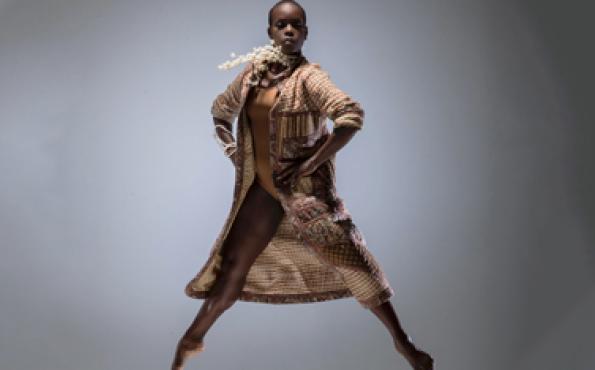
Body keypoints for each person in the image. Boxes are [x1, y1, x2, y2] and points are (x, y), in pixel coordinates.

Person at [171, 1, 434, 369]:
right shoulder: (250, 76)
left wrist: (309, 164)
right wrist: (234, 153)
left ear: (306, 32)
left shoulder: (310, 78)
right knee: (232, 267)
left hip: (306, 197)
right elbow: (219, 112)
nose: (289, 31)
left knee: (353, 262)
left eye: (296, 25)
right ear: (270, 32)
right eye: (281, 25)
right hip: (261, 192)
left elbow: (350, 116)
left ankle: (404, 345)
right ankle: (190, 341)